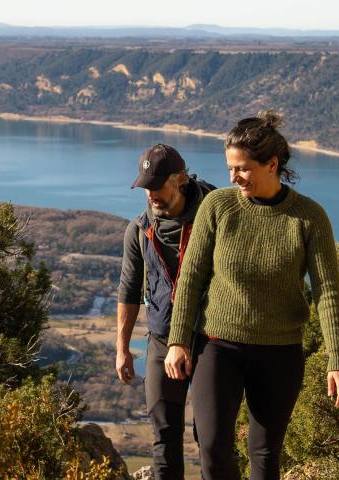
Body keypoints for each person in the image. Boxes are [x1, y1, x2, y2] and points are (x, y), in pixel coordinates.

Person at [162, 111, 339, 480]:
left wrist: (338, 361)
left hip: (279, 352)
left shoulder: (309, 217)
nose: (233, 177)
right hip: (218, 346)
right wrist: (178, 341)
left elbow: (328, 291)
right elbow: (191, 278)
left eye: (243, 169)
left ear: (272, 164)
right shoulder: (218, 207)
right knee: (214, 446)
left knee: (264, 454)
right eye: (230, 168)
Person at [115, 143, 217, 480]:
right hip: (161, 339)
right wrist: (122, 349)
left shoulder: (215, 215)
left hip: (210, 340)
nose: (151, 195)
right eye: (146, 187)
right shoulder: (140, 230)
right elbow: (128, 291)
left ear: (181, 179)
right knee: (164, 439)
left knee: (212, 439)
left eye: (158, 186)